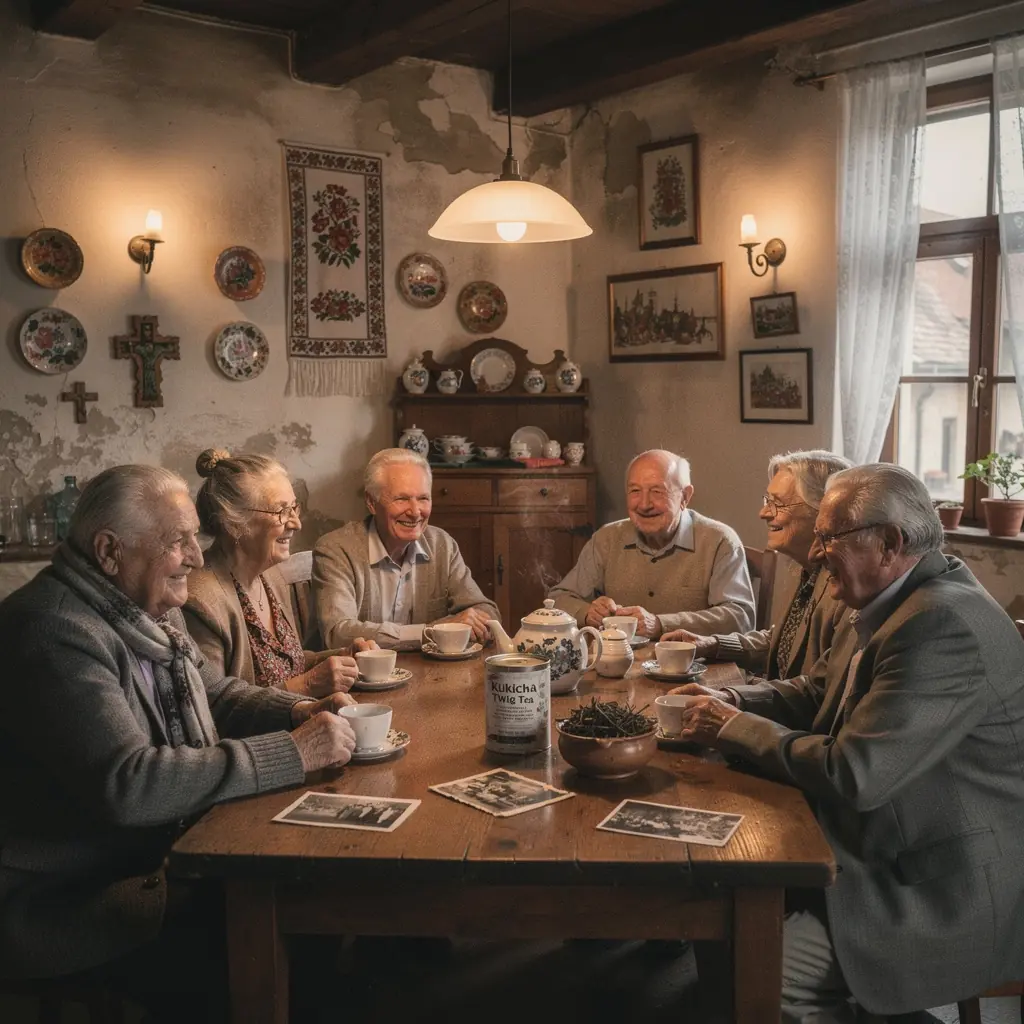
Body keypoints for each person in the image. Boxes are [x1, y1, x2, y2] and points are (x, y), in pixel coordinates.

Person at [0, 465, 357, 1016]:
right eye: (178, 541)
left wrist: (300, 710)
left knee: (320, 906)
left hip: (148, 856)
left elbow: (213, 694)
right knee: (287, 931)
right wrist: (293, 752)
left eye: (195, 536)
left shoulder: (139, 613)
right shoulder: (54, 631)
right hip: (72, 896)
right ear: (109, 551)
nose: (195, 555)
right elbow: (129, 783)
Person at [671, 464, 1024, 1021]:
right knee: (721, 902)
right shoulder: (902, 599)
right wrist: (736, 704)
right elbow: (820, 693)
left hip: (938, 887)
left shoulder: (940, 626)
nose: (813, 555)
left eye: (828, 539)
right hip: (885, 844)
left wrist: (731, 729)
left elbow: (855, 774)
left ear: (888, 544)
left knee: (763, 968)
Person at [183, 448, 376, 697]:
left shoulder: (270, 575)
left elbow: (286, 665)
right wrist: (308, 685)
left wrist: (342, 657)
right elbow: (215, 710)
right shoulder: (199, 601)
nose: (296, 523)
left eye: (295, 508)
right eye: (282, 512)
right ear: (233, 523)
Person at [661, 449, 852, 680]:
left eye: (778, 504)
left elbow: (815, 690)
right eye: (766, 501)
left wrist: (734, 698)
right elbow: (781, 642)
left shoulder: (844, 588)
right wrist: (710, 644)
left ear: (823, 511)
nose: (763, 513)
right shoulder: (806, 569)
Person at [549, 449, 754, 637]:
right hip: (621, 669)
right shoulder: (606, 539)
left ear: (685, 496)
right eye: (635, 491)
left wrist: (660, 624)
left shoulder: (720, 541)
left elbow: (739, 617)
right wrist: (587, 613)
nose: (644, 505)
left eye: (657, 492)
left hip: (697, 669)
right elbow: (559, 598)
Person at [313, 449, 499, 650]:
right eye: (401, 499)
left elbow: (485, 610)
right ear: (371, 502)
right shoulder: (336, 550)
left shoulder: (442, 545)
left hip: (430, 674)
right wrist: (431, 631)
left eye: (423, 498)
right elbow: (338, 633)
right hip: (359, 679)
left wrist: (478, 621)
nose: (415, 512)